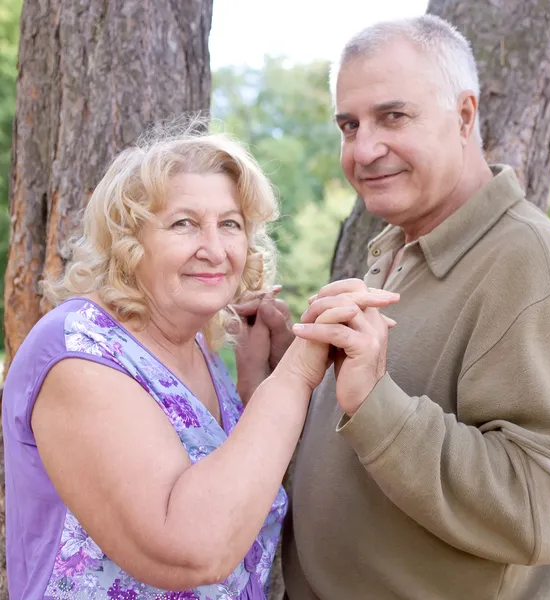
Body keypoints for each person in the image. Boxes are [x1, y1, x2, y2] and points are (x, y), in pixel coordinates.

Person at [1, 119, 399, 600]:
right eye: (183, 223)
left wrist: (255, 385)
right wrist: (296, 373)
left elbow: (226, 485)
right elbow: (192, 549)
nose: (213, 250)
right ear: (128, 242)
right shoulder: (79, 356)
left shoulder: (193, 346)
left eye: (229, 224)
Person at [280, 15, 550, 600]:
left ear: (465, 116)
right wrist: (282, 374)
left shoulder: (531, 268)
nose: (365, 148)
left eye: (393, 116)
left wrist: (376, 404)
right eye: (349, 125)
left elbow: (549, 509)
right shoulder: (400, 246)